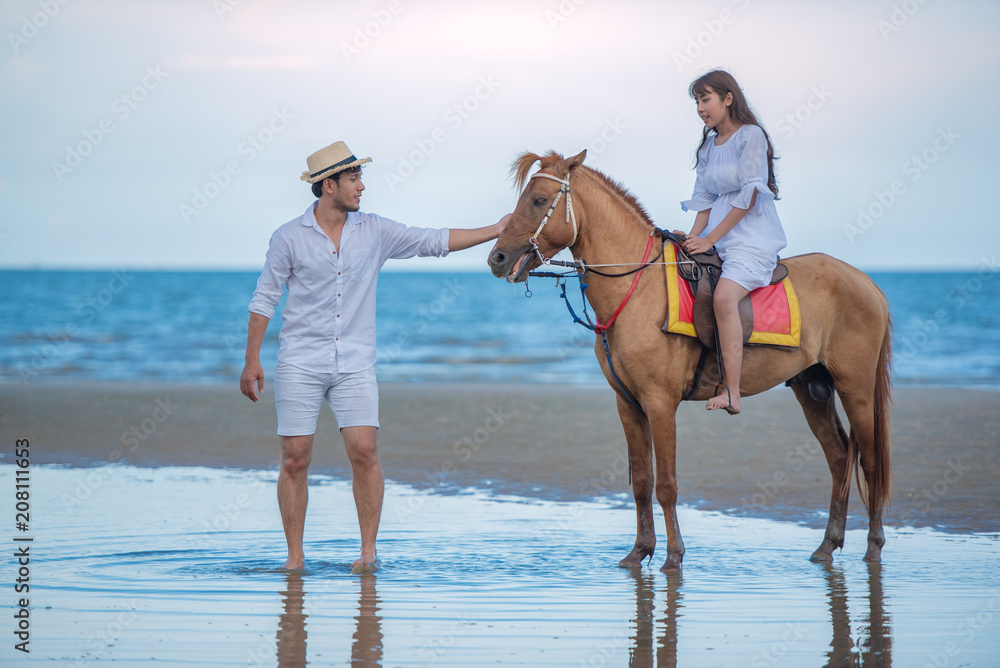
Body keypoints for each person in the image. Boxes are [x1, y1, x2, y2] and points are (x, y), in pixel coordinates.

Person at [240, 140, 508, 571]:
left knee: (365, 451)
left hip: (356, 364)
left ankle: (368, 552)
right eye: (353, 179)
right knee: (294, 458)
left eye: (360, 178)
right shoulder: (288, 237)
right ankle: (295, 558)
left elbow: (432, 241)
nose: (361, 187)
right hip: (300, 362)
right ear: (329, 185)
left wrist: (495, 229)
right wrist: (252, 360)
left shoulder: (375, 231)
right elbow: (263, 300)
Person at [676, 70, 787, 415]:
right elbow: (705, 197)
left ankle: (733, 392)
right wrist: (695, 237)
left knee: (724, 298)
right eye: (696, 100)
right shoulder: (709, 146)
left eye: (705, 99)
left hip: (750, 238)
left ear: (728, 98)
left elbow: (751, 195)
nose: (699, 108)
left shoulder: (749, 136)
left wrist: (710, 237)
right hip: (719, 235)